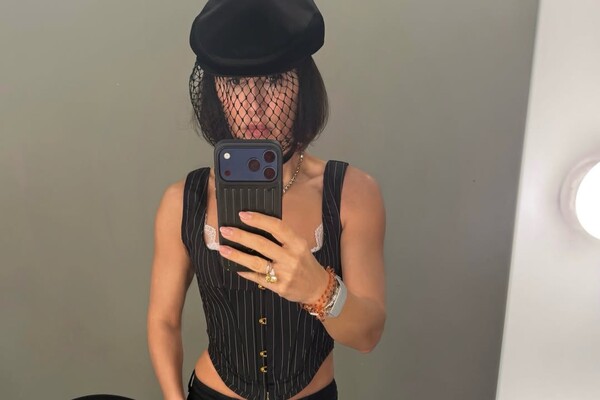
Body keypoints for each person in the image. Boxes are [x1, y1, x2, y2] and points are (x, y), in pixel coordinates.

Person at [147, 1, 386, 399]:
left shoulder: (353, 193)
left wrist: (318, 289)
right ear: (216, 91)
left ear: (302, 87)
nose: (255, 105)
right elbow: (164, 322)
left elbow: (367, 335)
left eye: (274, 80)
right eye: (236, 83)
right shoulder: (182, 201)